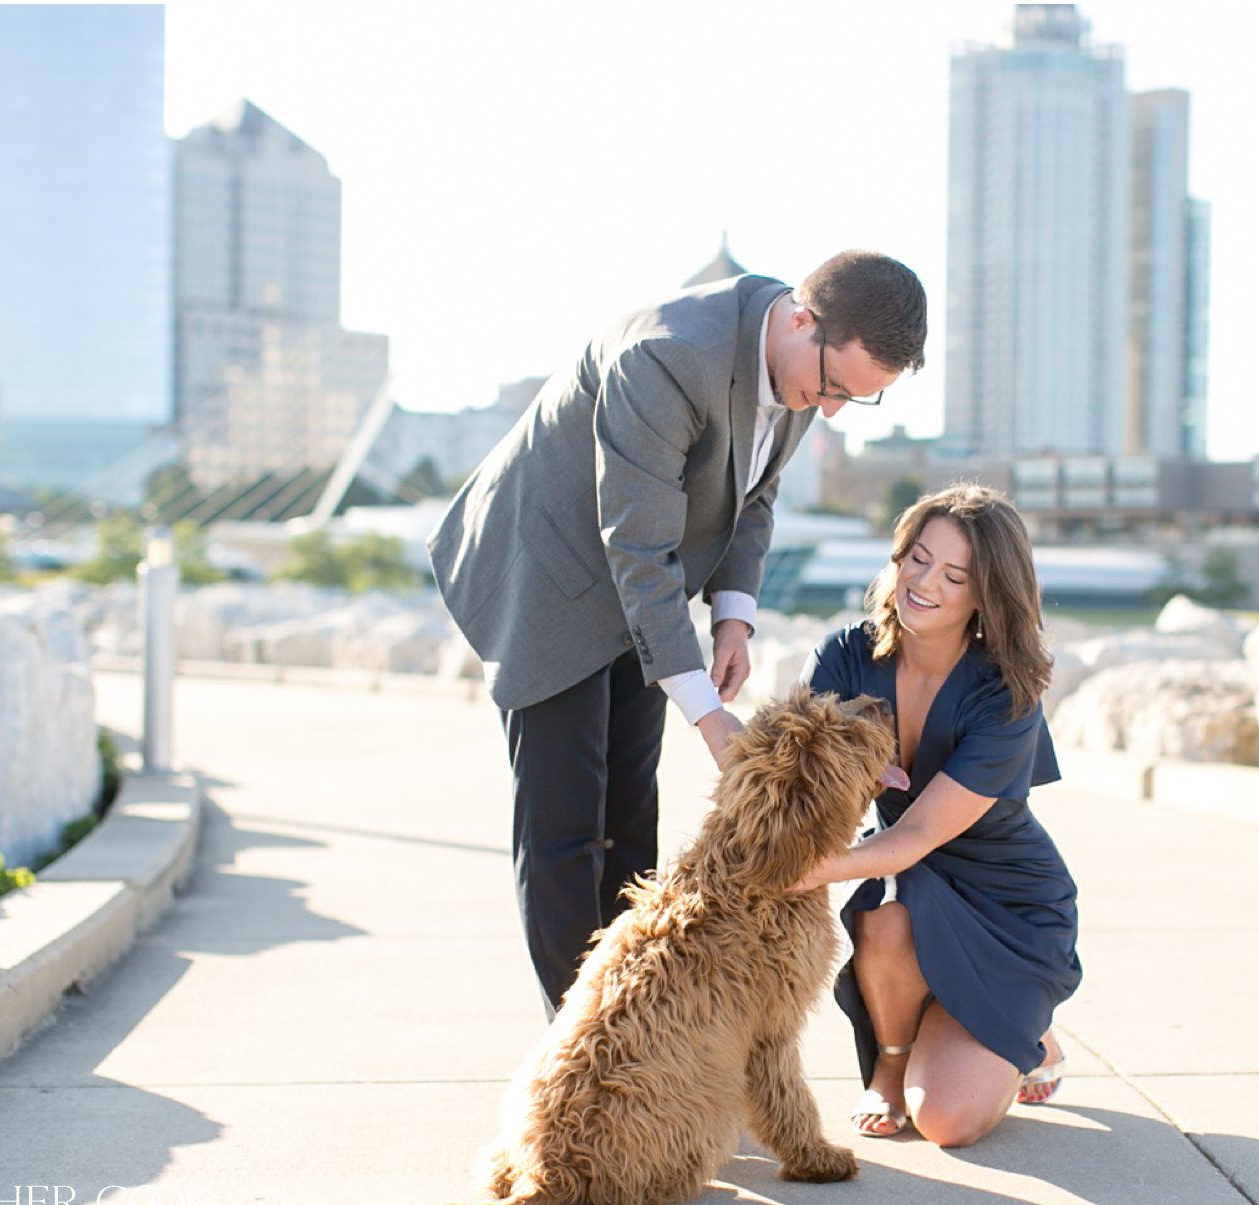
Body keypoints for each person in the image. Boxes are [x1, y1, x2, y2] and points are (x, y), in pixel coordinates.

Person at [428, 252, 928, 1016]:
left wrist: (733, 614)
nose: (828, 410)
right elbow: (638, 546)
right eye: (832, 387)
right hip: (548, 572)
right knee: (567, 824)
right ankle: (583, 1050)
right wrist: (707, 712)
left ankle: (635, 1016)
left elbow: (753, 497)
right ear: (802, 320)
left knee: (631, 812)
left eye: (853, 400)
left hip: (637, 578)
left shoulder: (800, 366)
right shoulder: (667, 357)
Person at [793, 483, 1080, 1147]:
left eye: (954, 576)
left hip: (1007, 901)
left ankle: (1027, 1023)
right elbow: (796, 775)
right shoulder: (842, 657)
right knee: (887, 908)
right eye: (917, 559)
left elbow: (921, 831)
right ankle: (892, 1066)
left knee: (948, 1123)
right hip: (906, 877)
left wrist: (807, 870)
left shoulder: (1006, 692)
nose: (923, 584)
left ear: (986, 594)